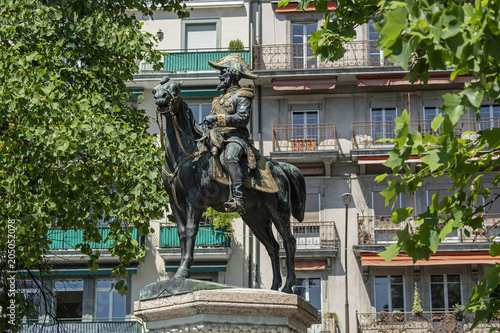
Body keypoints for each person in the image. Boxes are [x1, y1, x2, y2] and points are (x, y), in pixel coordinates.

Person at [203, 54, 258, 215]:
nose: (220, 76)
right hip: (217, 138)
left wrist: (217, 118)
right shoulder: (216, 100)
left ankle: (239, 198)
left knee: (230, 157)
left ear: (233, 74)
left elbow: (242, 119)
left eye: (223, 72)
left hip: (235, 137)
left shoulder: (242, 95)